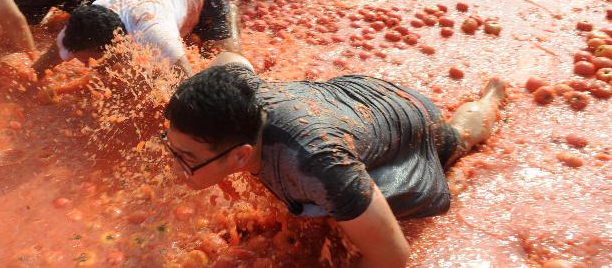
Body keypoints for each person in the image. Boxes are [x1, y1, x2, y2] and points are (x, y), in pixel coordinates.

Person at [162, 57, 506, 268]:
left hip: (409, 123)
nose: (174, 167)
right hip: (350, 98)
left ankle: (491, 97)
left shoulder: (319, 166)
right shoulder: (237, 89)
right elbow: (230, 57)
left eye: (187, 158)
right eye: (172, 147)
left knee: (457, 140)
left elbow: (393, 256)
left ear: (240, 155)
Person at [31, 0, 243, 79]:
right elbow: (38, 69)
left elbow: (189, 85)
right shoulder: (75, 33)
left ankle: (228, 6)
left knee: (223, 65)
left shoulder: (153, 32)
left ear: (115, 42)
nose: (86, 65)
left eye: (88, 60)